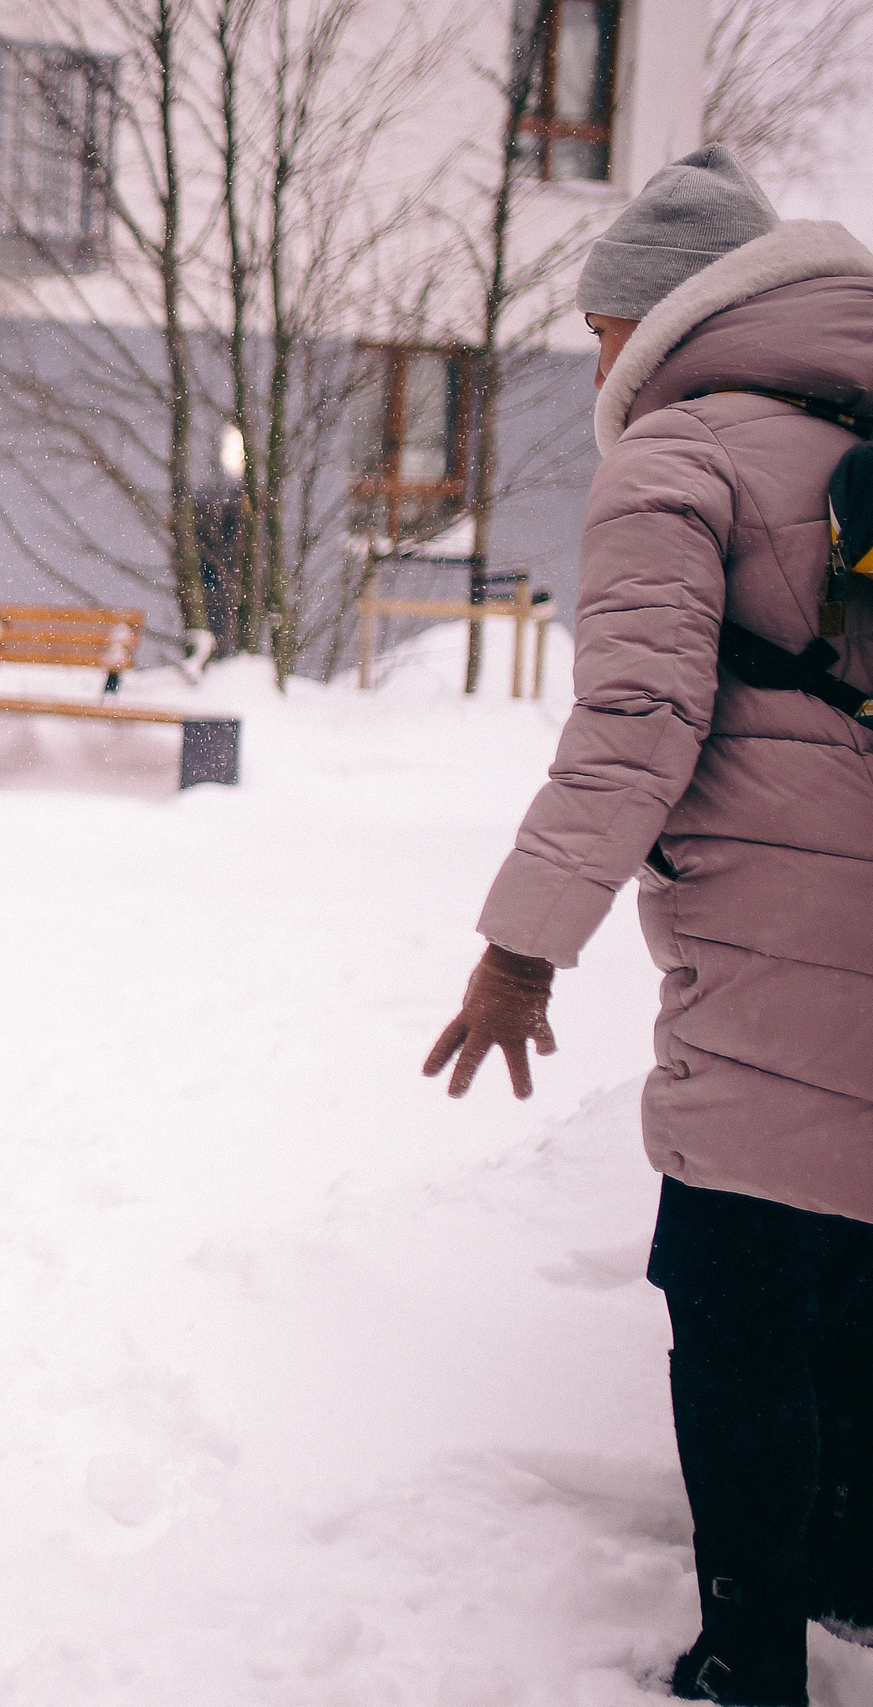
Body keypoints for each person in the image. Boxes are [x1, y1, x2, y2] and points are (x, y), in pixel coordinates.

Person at [424, 145, 873, 1706]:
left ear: (663, 314)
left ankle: (750, 1645)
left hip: (771, 960)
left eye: (603, 325)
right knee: (857, 1270)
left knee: (736, 1280)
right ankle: (858, 1579)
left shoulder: (677, 459)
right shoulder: (855, 442)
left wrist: (520, 946)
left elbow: (633, 722)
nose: (599, 356)